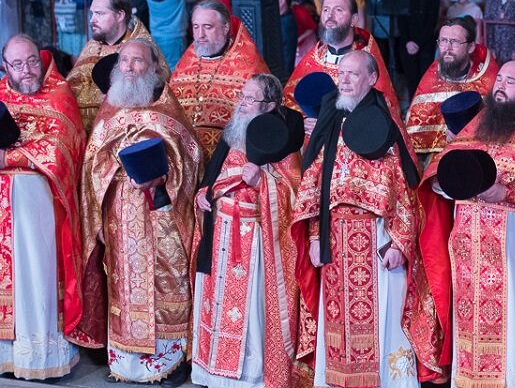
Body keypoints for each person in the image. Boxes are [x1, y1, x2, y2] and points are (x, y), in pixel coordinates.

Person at [414, 61, 515, 385]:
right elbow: (441, 171)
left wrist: (508, 192)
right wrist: (447, 181)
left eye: (511, 81)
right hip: (469, 251)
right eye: (500, 79)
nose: (501, 85)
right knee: (470, 324)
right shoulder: (476, 128)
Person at [294, 50, 422, 388]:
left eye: (353, 74)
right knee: (339, 321)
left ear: (371, 78)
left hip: (376, 237)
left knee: (381, 317)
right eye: (341, 74)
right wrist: (315, 237)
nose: (344, 80)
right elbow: (314, 182)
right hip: (334, 236)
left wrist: (400, 242)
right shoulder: (331, 118)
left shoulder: (387, 121)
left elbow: (407, 187)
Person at [79, 39, 203, 382]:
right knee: (124, 283)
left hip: (161, 215)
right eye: (125, 61)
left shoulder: (168, 108)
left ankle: (168, 364)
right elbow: (92, 163)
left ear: (154, 67)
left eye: (138, 61)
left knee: (165, 281)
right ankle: (125, 364)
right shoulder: (109, 109)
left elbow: (191, 157)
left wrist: (166, 175)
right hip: (119, 212)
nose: (130, 67)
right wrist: (111, 175)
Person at [191, 74, 311, 388]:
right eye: (242, 97)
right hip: (221, 232)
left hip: (255, 239)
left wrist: (263, 182)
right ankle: (214, 371)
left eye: (250, 99)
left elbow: (295, 193)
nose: (242, 104)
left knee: (250, 313)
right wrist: (204, 194)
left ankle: (249, 376)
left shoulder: (283, 141)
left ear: (270, 105)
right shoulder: (232, 133)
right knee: (216, 305)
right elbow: (212, 176)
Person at [0, 35, 89, 374]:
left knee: (34, 276)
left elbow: (60, 150)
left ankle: (36, 356)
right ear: (6, 67)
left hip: (40, 212)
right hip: (3, 213)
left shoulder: (59, 95)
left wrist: (7, 157)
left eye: (32, 61)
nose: (27, 70)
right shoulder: (1, 94)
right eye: (18, 65)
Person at [284, 0, 403, 129]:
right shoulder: (314, 58)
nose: (330, 15)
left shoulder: (366, 60)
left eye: (338, 10)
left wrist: (336, 124)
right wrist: (302, 121)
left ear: (354, 20)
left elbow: (383, 112)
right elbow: (290, 103)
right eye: (326, 10)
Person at [170, 0, 269, 157]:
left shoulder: (249, 67)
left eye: (207, 27)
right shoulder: (186, 62)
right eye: (196, 27)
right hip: (185, 155)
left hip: (228, 156)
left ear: (225, 28)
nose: (200, 35)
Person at [66, 0, 168, 130]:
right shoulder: (91, 46)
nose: (92, 20)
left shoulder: (143, 51)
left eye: (99, 14)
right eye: (92, 13)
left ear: (120, 15)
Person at [404, 16, 499, 156]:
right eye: (443, 41)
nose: (447, 48)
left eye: (454, 41)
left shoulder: (488, 79)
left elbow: (498, 129)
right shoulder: (431, 78)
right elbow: (417, 131)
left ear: (471, 47)